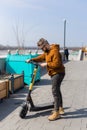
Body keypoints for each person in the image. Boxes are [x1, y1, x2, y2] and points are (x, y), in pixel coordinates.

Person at [26, 38, 65, 121]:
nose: (42, 50)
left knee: (55, 91)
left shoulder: (54, 51)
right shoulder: (47, 52)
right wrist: (32, 59)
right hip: (54, 73)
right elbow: (41, 57)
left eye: (43, 48)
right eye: (41, 49)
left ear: (46, 44)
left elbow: (57, 64)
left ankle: (56, 112)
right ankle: (60, 108)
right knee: (57, 90)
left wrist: (47, 64)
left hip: (58, 73)